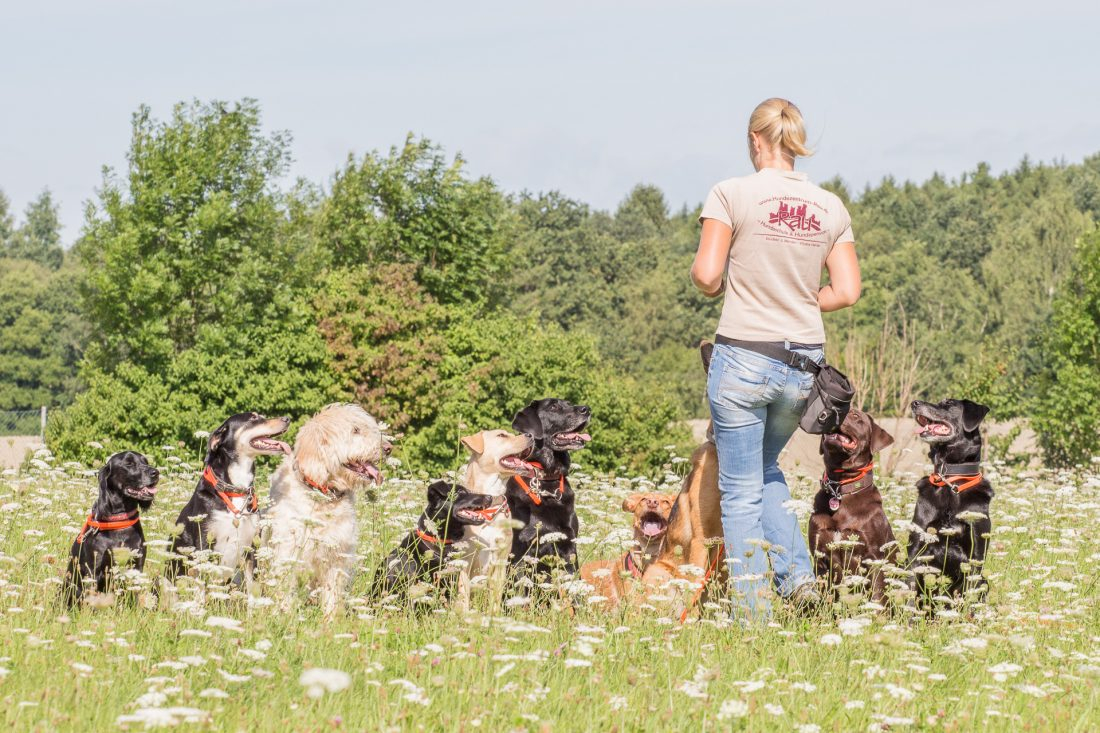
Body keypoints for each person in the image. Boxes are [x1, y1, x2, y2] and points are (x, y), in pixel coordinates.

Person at [690, 98, 861, 620]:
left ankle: (752, 616)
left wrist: (728, 284)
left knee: (738, 489)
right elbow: (848, 291)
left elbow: (705, 275)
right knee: (766, 468)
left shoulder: (731, 194)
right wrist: (801, 297)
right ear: (794, 143)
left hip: (744, 356)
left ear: (754, 141)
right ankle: (800, 581)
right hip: (803, 367)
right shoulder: (830, 206)